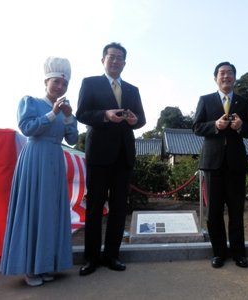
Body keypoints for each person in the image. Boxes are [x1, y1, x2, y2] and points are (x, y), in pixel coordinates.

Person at [0, 57, 78, 286]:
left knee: (51, 211)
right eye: (56, 82)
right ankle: (30, 269)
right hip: (35, 160)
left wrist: (68, 116)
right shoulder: (30, 102)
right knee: (36, 209)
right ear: (46, 81)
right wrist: (52, 114)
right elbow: (27, 127)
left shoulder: (64, 109)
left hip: (55, 160)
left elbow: (72, 139)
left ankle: (45, 265)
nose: (60, 87)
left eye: (64, 84)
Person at [76, 42, 146, 276]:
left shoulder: (132, 90)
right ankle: (91, 258)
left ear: (125, 63)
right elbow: (82, 114)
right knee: (95, 207)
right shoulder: (90, 83)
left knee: (118, 208)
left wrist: (135, 120)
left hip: (124, 155)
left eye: (120, 58)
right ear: (103, 60)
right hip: (98, 154)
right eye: (111, 57)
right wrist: (104, 115)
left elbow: (142, 119)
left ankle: (112, 255)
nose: (115, 61)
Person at [192, 62, 248, 269]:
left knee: (236, 210)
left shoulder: (244, 102)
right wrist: (215, 126)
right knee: (214, 211)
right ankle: (218, 252)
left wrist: (240, 126)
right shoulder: (206, 100)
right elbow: (197, 127)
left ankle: (239, 253)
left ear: (235, 77)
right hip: (212, 163)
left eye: (229, 73)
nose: (226, 76)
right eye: (222, 73)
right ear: (215, 78)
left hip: (236, 163)